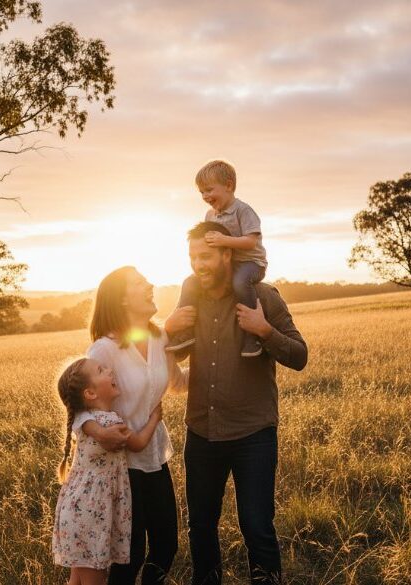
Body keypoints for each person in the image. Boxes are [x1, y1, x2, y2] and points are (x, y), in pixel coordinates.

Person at [165, 222, 308, 585]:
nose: (199, 264)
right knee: (200, 524)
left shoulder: (263, 297)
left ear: (227, 252)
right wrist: (166, 328)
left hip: (253, 434)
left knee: (257, 525)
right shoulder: (190, 297)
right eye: (193, 256)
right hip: (201, 432)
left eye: (207, 255)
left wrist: (263, 330)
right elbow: (163, 353)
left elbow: (299, 355)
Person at [83, 266, 185, 585]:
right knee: (130, 555)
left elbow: (178, 382)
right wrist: (100, 430)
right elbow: (83, 404)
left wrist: (227, 368)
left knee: (167, 546)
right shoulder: (104, 349)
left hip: (153, 456)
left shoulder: (158, 336)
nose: (150, 284)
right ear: (122, 299)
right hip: (119, 464)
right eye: (140, 283)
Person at [52, 357, 163, 585]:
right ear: (90, 394)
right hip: (90, 515)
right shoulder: (110, 424)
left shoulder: (85, 419)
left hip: (78, 510)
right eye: (101, 370)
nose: (110, 370)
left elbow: (82, 418)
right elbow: (139, 442)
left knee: (77, 580)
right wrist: (154, 418)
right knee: (95, 580)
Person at [167, 160, 269, 358]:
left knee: (240, 282)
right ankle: (185, 333)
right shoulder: (210, 215)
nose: (205, 196)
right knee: (190, 282)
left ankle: (251, 336)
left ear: (229, 186)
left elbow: (251, 242)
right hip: (228, 263)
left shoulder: (243, 210)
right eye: (201, 192)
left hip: (251, 263)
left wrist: (224, 240)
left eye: (209, 190)